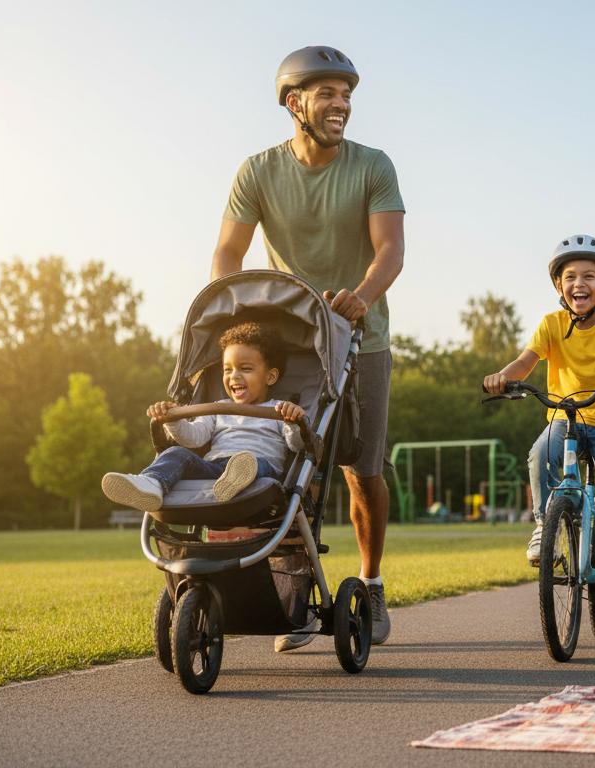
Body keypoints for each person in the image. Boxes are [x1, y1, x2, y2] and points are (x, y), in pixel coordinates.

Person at [210, 46, 406, 650]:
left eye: (347, 95)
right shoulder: (258, 171)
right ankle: (294, 595)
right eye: (327, 94)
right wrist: (230, 311)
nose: (341, 105)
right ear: (294, 103)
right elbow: (227, 255)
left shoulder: (372, 166)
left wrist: (364, 295)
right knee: (297, 466)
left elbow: (390, 250)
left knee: (361, 471)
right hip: (294, 341)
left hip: (361, 339)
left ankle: (370, 583)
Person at [482, 235, 595, 612]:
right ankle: (546, 523)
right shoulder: (551, 324)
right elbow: (525, 363)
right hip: (565, 418)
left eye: (590, 276)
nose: (580, 284)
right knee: (538, 453)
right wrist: (502, 376)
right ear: (559, 286)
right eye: (571, 277)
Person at [102, 322, 305, 511]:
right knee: (177, 453)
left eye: (245, 369)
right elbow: (193, 438)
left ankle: (239, 477)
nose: (234, 376)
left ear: (270, 376)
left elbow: (296, 445)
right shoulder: (219, 408)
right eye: (228, 370)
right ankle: (152, 483)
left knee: (251, 462)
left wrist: (294, 423)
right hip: (216, 470)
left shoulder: (279, 409)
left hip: (262, 469)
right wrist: (174, 420)